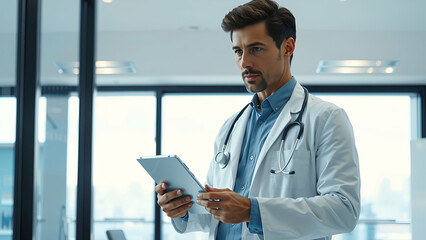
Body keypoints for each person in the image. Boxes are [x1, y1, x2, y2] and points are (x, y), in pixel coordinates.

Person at [155, 0, 360, 239]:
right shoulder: (230, 127)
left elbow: (344, 210)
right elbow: (215, 215)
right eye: (238, 51)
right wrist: (181, 210)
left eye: (256, 49)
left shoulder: (326, 118)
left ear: (287, 47)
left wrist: (252, 211)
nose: (245, 62)